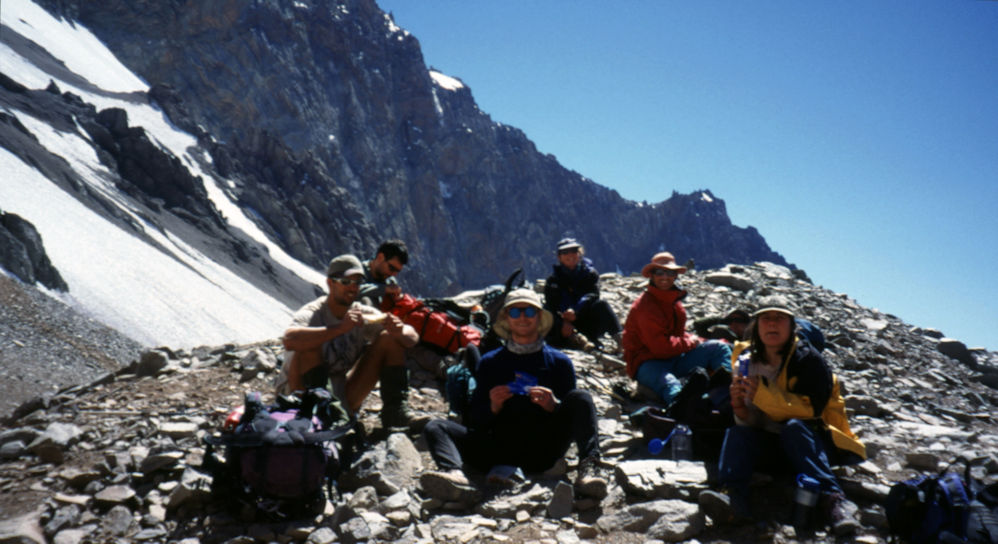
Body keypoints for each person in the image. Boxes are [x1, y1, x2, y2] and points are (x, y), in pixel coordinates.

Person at [699, 295, 865, 534]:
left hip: (812, 446)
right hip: (772, 446)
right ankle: (732, 498)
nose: (773, 324)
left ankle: (834, 500)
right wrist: (740, 408)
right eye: (766, 318)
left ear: (791, 326)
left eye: (780, 318)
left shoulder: (809, 361)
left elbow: (813, 412)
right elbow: (753, 422)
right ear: (756, 326)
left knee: (795, 427)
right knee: (737, 433)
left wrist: (765, 395)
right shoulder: (746, 360)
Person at [421, 288, 608, 500]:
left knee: (581, 397)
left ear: (539, 318)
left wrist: (554, 406)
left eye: (529, 312)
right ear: (506, 318)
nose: (522, 318)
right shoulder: (490, 363)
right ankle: (454, 474)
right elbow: (475, 420)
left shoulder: (559, 363)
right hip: (497, 448)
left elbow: (572, 414)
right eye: (515, 312)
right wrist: (493, 406)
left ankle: (589, 469)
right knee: (435, 426)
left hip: (543, 449)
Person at [274, 254, 420, 429]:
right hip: (298, 396)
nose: (352, 288)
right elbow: (290, 340)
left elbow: (412, 338)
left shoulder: (361, 314)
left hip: (340, 395)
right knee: (307, 346)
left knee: (389, 338)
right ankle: (325, 417)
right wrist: (340, 328)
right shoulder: (314, 313)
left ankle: (395, 413)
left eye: (357, 283)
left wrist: (399, 330)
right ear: (330, 283)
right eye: (345, 282)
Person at [622, 252, 733, 404]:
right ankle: (686, 413)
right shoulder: (644, 306)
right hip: (648, 364)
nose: (665, 277)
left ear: (675, 276)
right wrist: (691, 343)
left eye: (670, 272)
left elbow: (678, 335)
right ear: (652, 276)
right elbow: (660, 348)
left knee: (719, 348)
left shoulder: (674, 304)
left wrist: (697, 340)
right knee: (671, 386)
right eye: (659, 272)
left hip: (675, 358)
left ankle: (728, 393)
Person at [543, 237, 623, 352]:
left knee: (602, 305)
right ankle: (581, 342)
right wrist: (564, 320)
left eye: (574, 251)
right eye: (565, 252)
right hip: (565, 324)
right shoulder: (553, 281)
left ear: (579, 253)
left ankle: (622, 342)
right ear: (559, 257)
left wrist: (576, 310)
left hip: (586, 319)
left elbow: (593, 295)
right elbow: (551, 305)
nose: (570, 255)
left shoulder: (590, 274)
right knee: (546, 313)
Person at [359, 239, 408, 308]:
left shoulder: (390, 282)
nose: (393, 274)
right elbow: (352, 291)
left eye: (397, 271)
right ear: (380, 257)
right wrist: (383, 289)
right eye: (392, 268)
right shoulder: (358, 272)